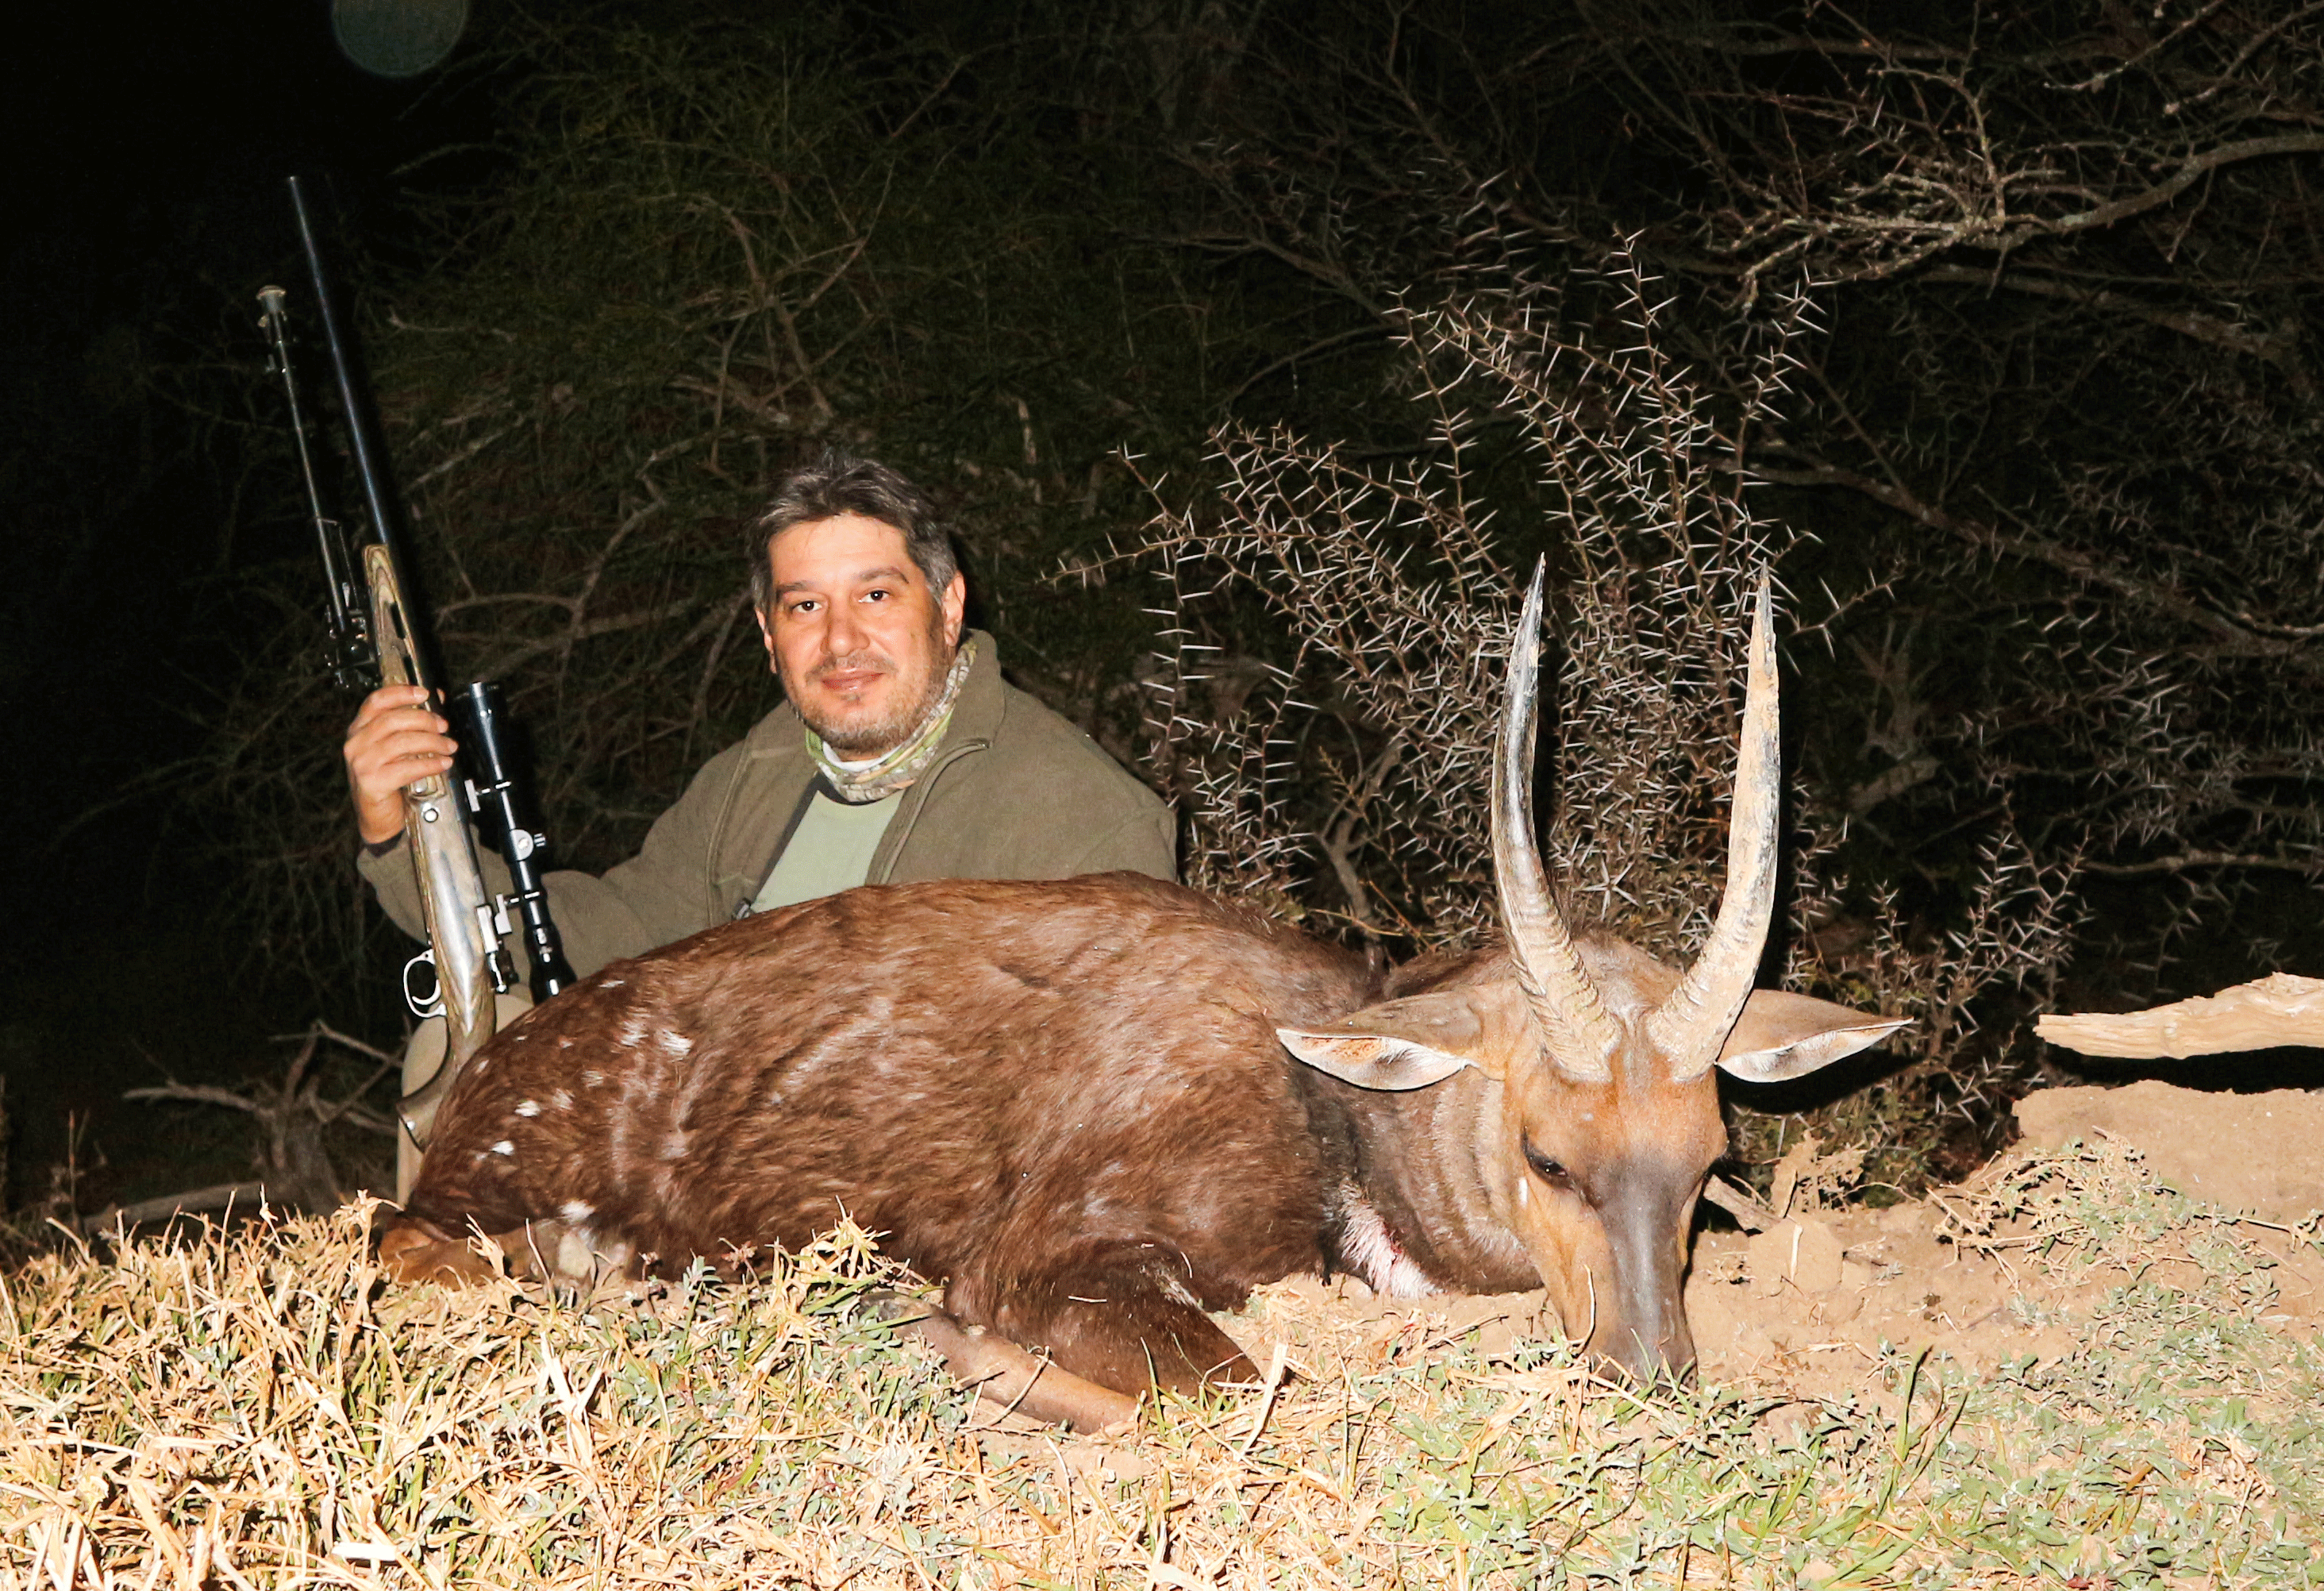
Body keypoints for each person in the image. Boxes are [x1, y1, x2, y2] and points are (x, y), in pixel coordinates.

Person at [345, 450, 1176, 1195]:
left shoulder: (1083, 818)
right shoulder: (761, 770)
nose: (841, 640)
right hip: (699, 1163)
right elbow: (602, 937)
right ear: (767, 635)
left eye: (877, 595)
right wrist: (409, 832)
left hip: (898, 1217)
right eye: (804, 607)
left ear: (950, 606)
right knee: (473, 1035)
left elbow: (1111, 1112)